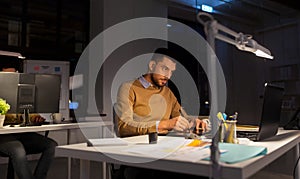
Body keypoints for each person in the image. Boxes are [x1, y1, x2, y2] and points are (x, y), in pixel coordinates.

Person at [114, 48, 210, 179]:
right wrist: (163, 125)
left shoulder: (168, 92)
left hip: (165, 151)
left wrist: (195, 123)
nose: (168, 76)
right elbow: (124, 127)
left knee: (203, 170)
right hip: (139, 156)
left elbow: (181, 118)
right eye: (165, 69)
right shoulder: (128, 88)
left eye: (171, 72)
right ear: (152, 65)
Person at [0, 62, 58, 179]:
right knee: (18, 149)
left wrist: (35, 118)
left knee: (51, 145)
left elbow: (28, 110)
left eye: (15, 75)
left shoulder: (20, 91)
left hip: (21, 135)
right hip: (2, 137)